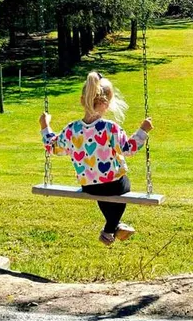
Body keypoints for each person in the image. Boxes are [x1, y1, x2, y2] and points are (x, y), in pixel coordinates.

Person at [40, 71, 153, 246]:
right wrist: (143, 130)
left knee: (101, 184)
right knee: (124, 185)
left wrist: (45, 125)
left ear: (82, 100)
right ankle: (110, 229)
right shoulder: (110, 128)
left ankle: (115, 226)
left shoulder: (72, 129)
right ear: (106, 104)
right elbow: (128, 149)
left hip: (89, 186)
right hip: (114, 185)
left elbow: (53, 147)